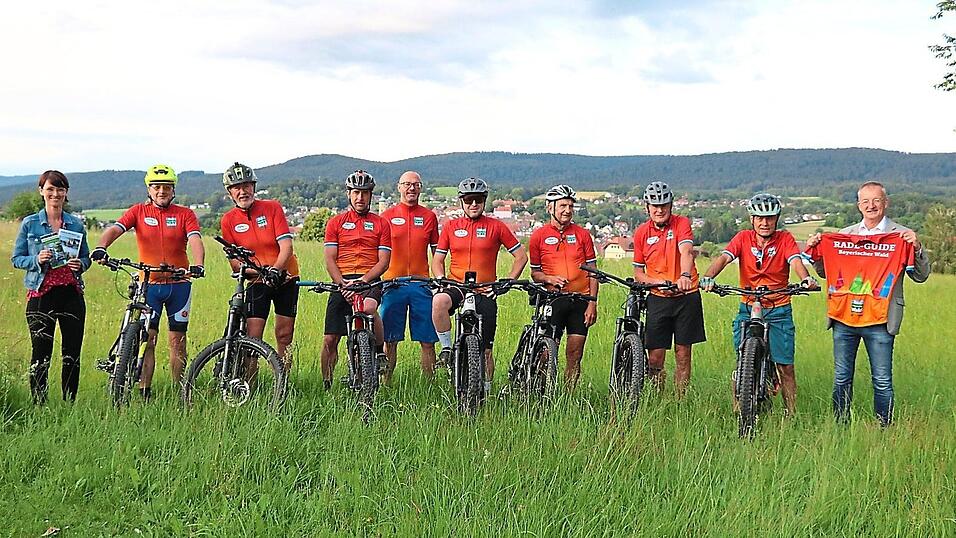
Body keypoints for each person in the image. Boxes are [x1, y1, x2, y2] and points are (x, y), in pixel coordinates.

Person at [805, 181, 930, 426]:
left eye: (876, 201)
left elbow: (921, 275)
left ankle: (885, 428)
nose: (871, 206)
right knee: (841, 377)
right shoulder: (845, 235)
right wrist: (816, 250)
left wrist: (916, 247)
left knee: (882, 380)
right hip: (844, 318)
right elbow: (827, 273)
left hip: (881, 320)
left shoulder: (901, 236)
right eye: (865, 201)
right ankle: (839, 426)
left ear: (886, 203)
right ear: (858, 205)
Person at [91, 164, 205, 400]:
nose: (161, 191)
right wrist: (101, 247)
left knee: (177, 342)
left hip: (179, 284)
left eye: (166, 187)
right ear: (149, 190)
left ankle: (179, 392)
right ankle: (145, 391)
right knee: (147, 339)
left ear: (173, 190)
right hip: (149, 286)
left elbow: (195, 238)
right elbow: (115, 229)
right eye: (156, 187)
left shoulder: (185, 214)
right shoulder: (138, 212)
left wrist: (199, 263)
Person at [700, 193, 818, 415]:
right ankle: (739, 405)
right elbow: (724, 258)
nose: (765, 223)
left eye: (770, 218)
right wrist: (709, 277)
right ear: (752, 219)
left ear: (777, 218)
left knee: (786, 366)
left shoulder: (785, 239)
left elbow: (795, 261)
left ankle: (790, 414)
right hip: (748, 305)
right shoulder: (743, 238)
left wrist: (805, 279)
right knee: (742, 359)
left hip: (778, 307)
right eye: (760, 218)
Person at [432, 177, 528, 395]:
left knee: (485, 350)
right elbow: (437, 260)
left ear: (484, 201)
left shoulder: (496, 226)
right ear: (461, 201)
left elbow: (521, 257)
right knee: (439, 301)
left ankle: (486, 389)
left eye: (477, 199)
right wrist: (439, 279)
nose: (473, 204)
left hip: (486, 288)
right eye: (468, 200)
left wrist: (507, 282)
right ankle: (447, 348)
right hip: (457, 285)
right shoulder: (451, 227)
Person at [11, 171, 91, 404]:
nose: (55, 194)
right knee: (41, 353)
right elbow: (16, 259)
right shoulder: (30, 223)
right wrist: (37, 260)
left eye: (60, 189)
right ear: (41, 191)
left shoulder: (75, 224)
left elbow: (86, 258)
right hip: (41, 294)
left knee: (72, 353)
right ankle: (40, 404)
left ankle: (69, 402)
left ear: (66, 193)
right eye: (50, 189)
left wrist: (81, 264)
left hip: (71, 294)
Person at [219, 162, 300, 370]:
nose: (242, 191)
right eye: (236, 187)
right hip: (256, 280)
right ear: (230, 192)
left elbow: (286, 246)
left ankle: (282, 382)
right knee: (253, 338)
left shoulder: (272, 208)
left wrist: (276, 270)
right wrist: (258, 272)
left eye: (246, 185)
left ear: (254, 187)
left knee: (284, 335)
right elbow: (235, 263)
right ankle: (250, 387)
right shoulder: (228, 220)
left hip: (285, 277)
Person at [632, 181, 705, 397]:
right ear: (647, 207)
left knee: (683, 353)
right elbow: (638, 272)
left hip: (686, 296)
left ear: (671, 205)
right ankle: (658, 398)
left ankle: (680, 399)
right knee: (655, 357)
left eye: (664, 204)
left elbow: (686, 251)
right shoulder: (641, 233)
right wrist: (654, 282)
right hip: (658, 298)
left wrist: (684, 275)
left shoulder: (681, 224)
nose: (659, 209)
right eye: (654, 205)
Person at [322, 170, 391, 390]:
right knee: (330, 340)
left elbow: (384, 262)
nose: (360, 198)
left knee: (369, 308)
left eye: (364, 193)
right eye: (355, 193)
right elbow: (330, 259)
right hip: (342, 282)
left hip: (369, 281)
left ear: (370, 195)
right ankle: (327, 384)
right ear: (348, 194)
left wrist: (363, 281)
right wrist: (342, 284)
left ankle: (379, 352)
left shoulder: (381, 224)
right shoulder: (336, 223)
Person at [528, 184, 599, 390]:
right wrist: (549, 278)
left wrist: (592, 304)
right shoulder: (538, 236)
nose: (567, 210)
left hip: (581, 300)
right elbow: (535, 273)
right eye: (562, 206)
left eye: (570, 205)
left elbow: (593, 271)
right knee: (546, 353)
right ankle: (540, 392)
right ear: (550, 208)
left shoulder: (583, 235)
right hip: (554, 300)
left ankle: (568, 396)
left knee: (575, 353)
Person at [379, 171, 440, 382]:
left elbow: (437, 253)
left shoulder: (429, 216)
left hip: (421, 284)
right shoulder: (386, 216)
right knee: (390, 340)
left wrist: (439, 279)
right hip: (392, 284)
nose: (411, 188)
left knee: (428, 341)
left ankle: (429, 385)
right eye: (407, 184)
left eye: (416, 184)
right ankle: (386, 384)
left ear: (421, 188)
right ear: (398, 187)